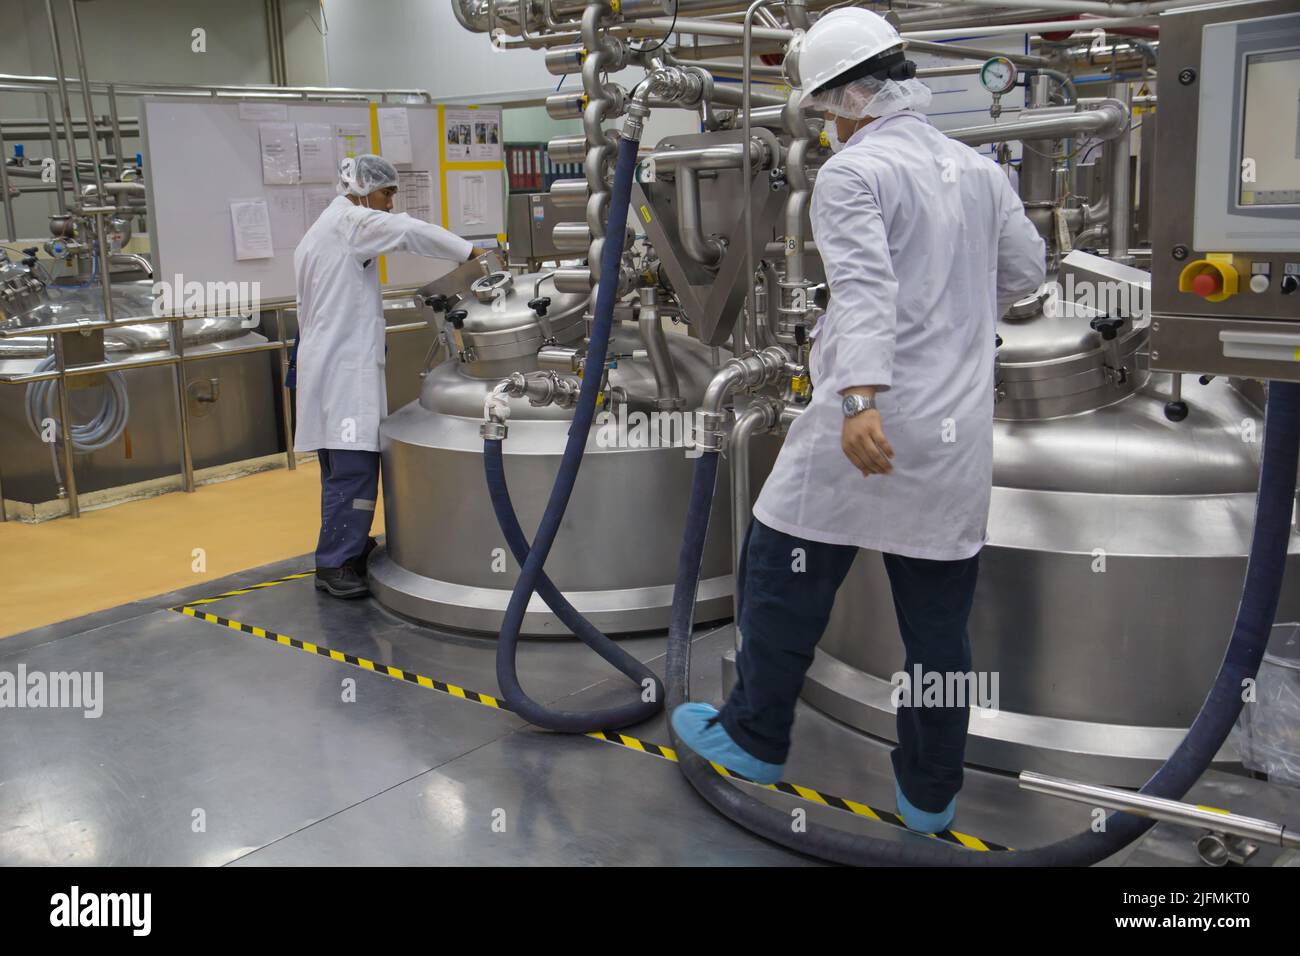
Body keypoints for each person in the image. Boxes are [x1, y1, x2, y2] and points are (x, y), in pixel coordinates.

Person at [670, 9, 1046, 834]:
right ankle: (930, 793)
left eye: (824, 107)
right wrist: (957, 308)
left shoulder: (853, 174)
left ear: (845, 99)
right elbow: (1026, 272)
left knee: (780, 567)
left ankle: (757, 735)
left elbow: (867, 292)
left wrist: (861, 398)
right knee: (939, 626)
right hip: (952, 430)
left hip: (866, 423)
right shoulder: (978, 170)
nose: (827, 122)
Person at [293, 154, 488, 598]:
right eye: (386, 192)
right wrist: (472, 252)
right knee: (355, 469)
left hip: (327, 366)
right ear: (362, 189)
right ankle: (336, 564)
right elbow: (406, 231)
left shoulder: (322, 229)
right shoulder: (352, 222)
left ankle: (346, 545)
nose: (389, 202)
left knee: (339, 467)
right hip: (342, 373)